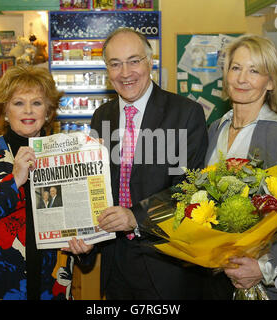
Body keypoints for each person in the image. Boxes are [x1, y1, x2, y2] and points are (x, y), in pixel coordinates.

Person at [82, 27, 208, 300]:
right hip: (116, 263)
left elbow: (190, 191)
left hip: (166, 265)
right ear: (107, 69)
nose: (125, 73)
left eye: (134, 60)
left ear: (150, 62)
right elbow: (95, 185)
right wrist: (83, 233)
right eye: (115, 64)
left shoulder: (186, 113)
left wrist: (135, 218)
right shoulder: (101, 117)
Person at [0, 65, 74, 300]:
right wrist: (14, 181)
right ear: (5, 111)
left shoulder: (62, 154)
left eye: (37, 103)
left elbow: (77, 219)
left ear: (48, 112)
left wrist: (86, 246)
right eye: (18, 103)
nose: (28, 110)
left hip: (50, 287)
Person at [203, 34, 277, 299]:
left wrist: (262, 268)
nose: (241, 79)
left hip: (264, 288)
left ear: (270, 81)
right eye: (236, 68)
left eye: (254, 71)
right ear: (225, 74)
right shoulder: (215, 129)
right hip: (216, 280)